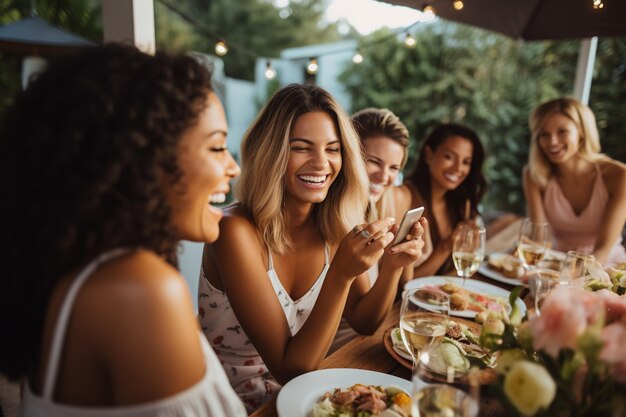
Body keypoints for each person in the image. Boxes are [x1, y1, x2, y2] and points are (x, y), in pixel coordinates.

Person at [0, 44, 247, 416]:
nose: (234, 168)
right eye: (216, 148)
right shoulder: (140, 290)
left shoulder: (80, 274)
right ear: (144, 159)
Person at [198, 84, 425, 411]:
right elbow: (289, 368)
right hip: (235, 404)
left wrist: (392, 266)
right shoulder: (234, 230)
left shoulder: (333, 221)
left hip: (306, 395)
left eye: (333, 149)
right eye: (302, 147)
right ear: (270, 152)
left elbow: (365, 322)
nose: (321, 163)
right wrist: (340, 275)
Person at [329, 108, 431, 352]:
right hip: (343, 350)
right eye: (373, 161)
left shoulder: (380, 207)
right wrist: (392, 267)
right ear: (349, 155)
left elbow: (404, 288)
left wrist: (407, 249)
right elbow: (364, 323)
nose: (384, 176)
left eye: (394, 168)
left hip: (372, 340)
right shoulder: (340, 220)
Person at [524, 97, 626, 266]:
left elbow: (603, 249)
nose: (552, 142)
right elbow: (538, 238)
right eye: (544, 134)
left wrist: (572, 280)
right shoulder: (533, 175)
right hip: (558, 264)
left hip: (605, 267)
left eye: (562, 131)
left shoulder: (619, 176)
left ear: (582, 132)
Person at [402, 123, 487, 276]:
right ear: (429, 155)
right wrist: (446, 246)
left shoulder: (462, 204)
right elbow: (407, 281)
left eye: (466, 162)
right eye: (449, 157)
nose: (458, 168)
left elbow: (461, 269)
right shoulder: (406, 198)